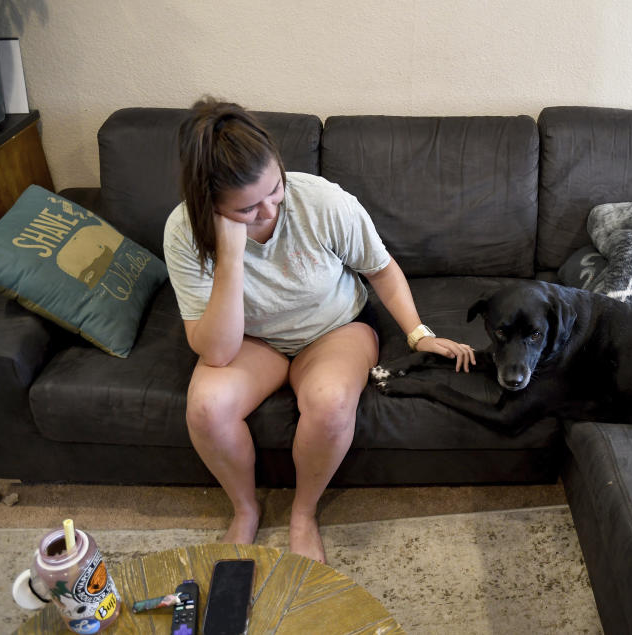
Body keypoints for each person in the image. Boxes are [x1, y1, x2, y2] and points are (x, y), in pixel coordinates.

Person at [163, 97, 475, 563]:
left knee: (330, 402)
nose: (270, 209)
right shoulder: (183, 232)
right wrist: (229, 256)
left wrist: (418, 333)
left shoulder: (323, 202)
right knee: (207, 407)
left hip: (334, 330)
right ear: (210, 204)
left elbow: (382, 269)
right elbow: (218, 353)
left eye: (275, 189)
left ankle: (302, 514)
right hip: (252, 342)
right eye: (248, 208)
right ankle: (245, 509)